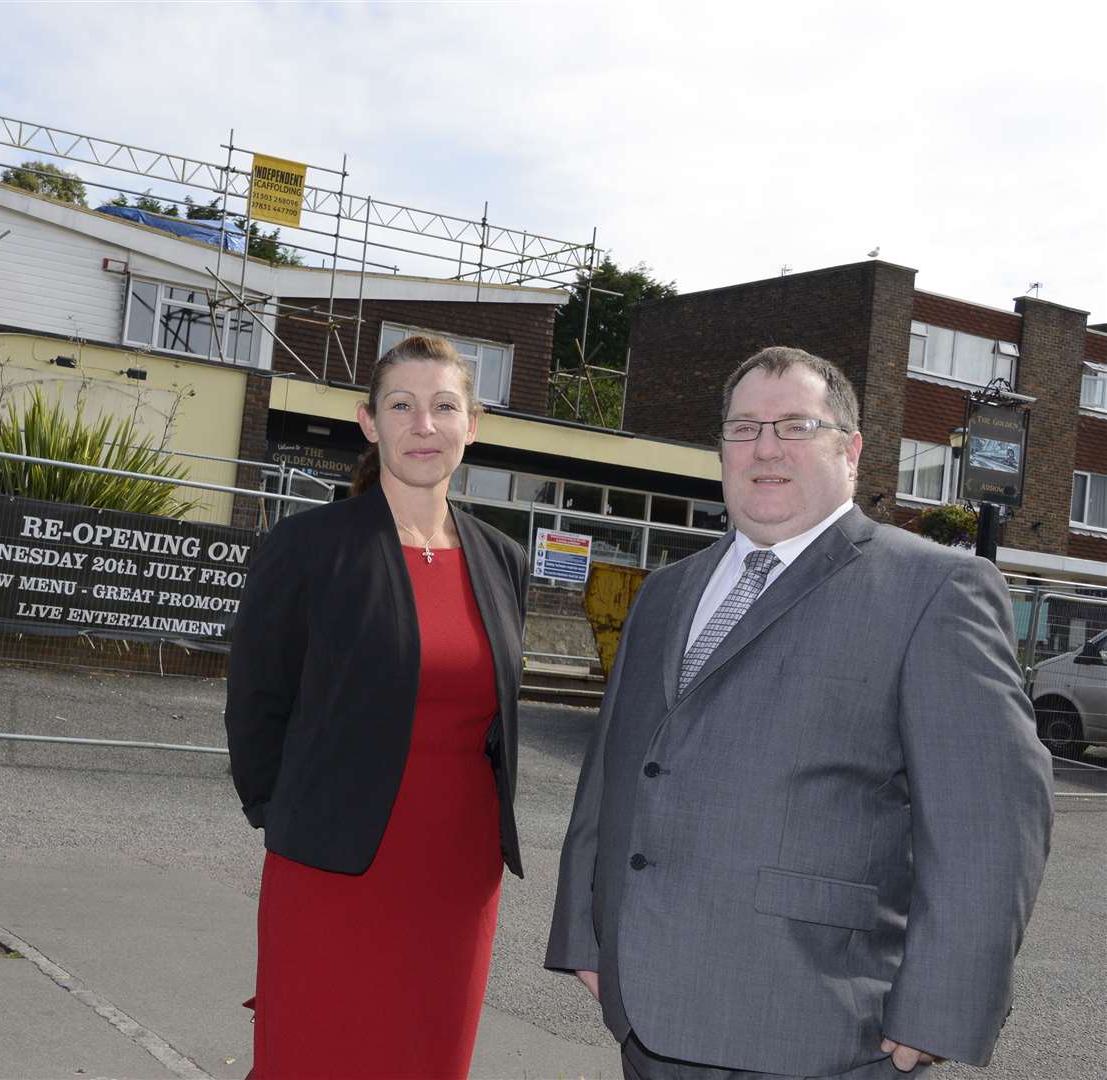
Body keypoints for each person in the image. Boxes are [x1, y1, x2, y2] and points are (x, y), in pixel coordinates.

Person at [545, 346, 1052, 1079]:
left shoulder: (936, 590)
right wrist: (583, 936)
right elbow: (613, 775)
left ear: (850, 451)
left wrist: (944, 1003)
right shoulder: (666, 592)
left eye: (795, 426)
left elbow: (991, 821)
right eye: (744, 428)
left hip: (818, 1025)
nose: (766, 447)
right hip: (648, 1018)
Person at [225, 334, 529, 1078]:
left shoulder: (502, 558)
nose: (423, 425)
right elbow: (256, 703)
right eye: (402, 405)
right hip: (332, 864)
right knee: (314, 1051)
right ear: (369, 423)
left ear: (472, 425)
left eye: (443, 406)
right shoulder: (308, 547)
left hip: (458, 870)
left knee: (428, 1054)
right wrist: (289, 813)